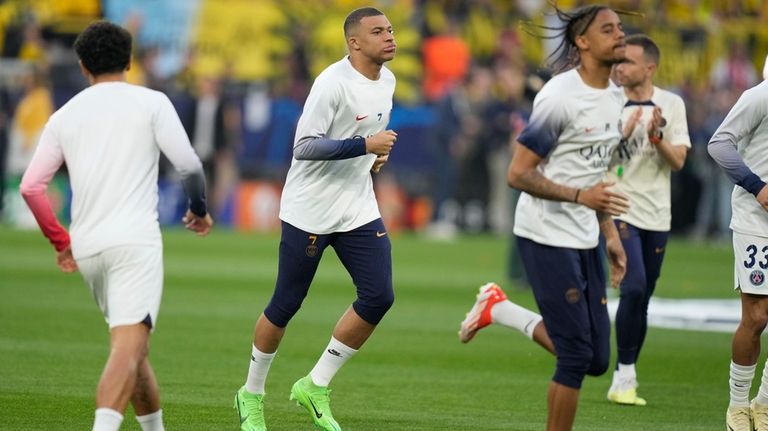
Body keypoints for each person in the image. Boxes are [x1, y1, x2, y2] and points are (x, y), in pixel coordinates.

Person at [19, 21, 213, 431]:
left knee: (135, 350)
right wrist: (198, 209)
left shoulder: (63, 116)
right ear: (129, 61)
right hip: (134, 244)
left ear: (83, 66)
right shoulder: (151, 102)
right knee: (127, 349)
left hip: (88, 247)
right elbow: (190, 167)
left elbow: (31, 188)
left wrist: (61, 241)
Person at [458, 5, 628, 430]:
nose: (620, 34)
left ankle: (498, 309)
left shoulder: (615, 96)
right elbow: (518, 173)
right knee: (573, 357)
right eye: (608, 29)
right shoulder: (559, 97)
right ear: (583, 42)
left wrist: (609, 233)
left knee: (597, 360)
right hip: (545, 234)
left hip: (586, 234)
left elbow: (595, 173)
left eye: (620, 27)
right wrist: (579, 196)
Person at [233, 7, 397, 431]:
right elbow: (304, 147)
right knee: (286, 304)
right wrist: (365, 145)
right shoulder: (331, 84)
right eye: (378, 31)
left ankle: (315, 384)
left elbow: (370, 137)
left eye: (391, 30)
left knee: (379, 296)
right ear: (354, 42)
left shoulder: (389, 80)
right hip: (310, 209)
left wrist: (376, 155)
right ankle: (250, 395)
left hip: (357, 206)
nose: (390, 37)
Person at [603, 33, 690, 406]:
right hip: (619, 206)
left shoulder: (672, 103)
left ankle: (627, 371)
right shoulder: (607, 102)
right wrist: (620, 134)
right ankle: (624, 376)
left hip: (657, 212)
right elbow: (593, 160)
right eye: (618, 61)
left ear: (649, 67)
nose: (619, 68)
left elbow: (679, 161)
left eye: (627, 62)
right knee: (634, 286)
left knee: (644, 296)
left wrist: (656, 137)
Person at [709, 69, 768, 431]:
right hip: (756, 221)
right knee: (757, 315)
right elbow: (718, 144)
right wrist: (757, 186)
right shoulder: (760, 96)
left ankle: (763, 404)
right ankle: (737, 406)